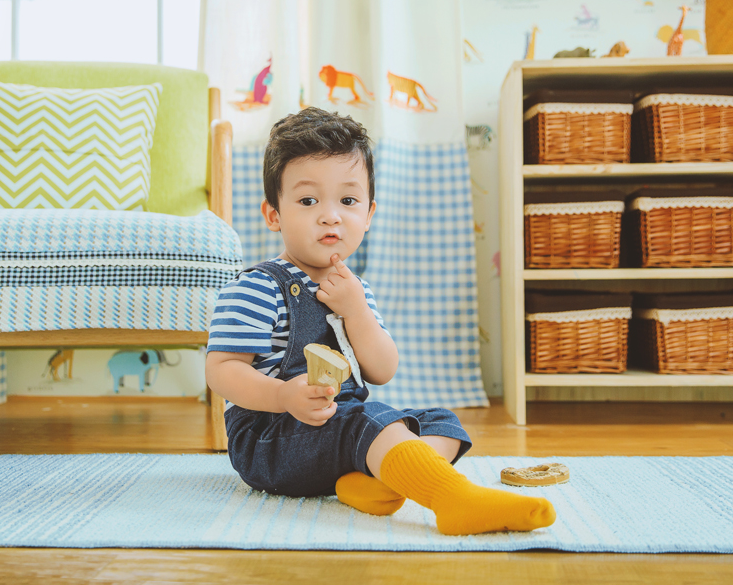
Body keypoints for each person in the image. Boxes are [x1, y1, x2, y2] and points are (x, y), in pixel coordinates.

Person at [205, 107, 555, 535]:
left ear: (368, 215)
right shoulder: (258, 287)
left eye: (348, 201)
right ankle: (453, 499)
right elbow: (221, 370)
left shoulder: (357, 291)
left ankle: (371, 483)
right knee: (368, 423)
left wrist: (357, 311)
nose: (330, 215)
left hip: (339, 427)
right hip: (272, 439)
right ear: (274, 214)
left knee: (440, 421)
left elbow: (382, 370)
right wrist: (283, 397)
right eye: (308, 200)